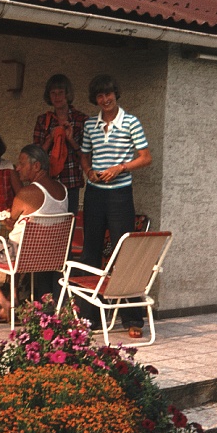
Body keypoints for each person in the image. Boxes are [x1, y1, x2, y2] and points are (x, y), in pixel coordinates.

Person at [79, 74, 152, 332]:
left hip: (120, 195)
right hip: (95, 194)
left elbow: (145, 158)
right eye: (100, 96)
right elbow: (84, 156)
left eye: (108, 94)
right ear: (95, 99)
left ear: (115, 94)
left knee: (124, 252)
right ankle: (89, 318)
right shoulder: (90, 125)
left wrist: (121, 167)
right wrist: (89, 172)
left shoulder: (131, 122)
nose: (105, 99)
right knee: (91, 252)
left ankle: (132, 319)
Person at [0, 144, 68, 324]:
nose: (17, 168)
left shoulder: (26, 193)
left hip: (22, 255)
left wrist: (6, 219)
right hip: (52, 256)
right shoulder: (62, 190)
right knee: (11, 246)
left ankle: (4, 302)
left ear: (36, 166)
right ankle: (14, 299)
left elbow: (10, 223)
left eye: (22, 164)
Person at [32, 74, 88, 214]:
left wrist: (70, 139)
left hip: (71, 180)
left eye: (61, 93)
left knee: (68, 224)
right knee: (48, 224)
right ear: (49, 96)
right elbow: (35, 157)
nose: (57, 97)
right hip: (48, 181)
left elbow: (86, 155)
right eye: (53, 93)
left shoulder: (81, 119)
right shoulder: (43, 120)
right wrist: (50, 138)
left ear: (67, 94)